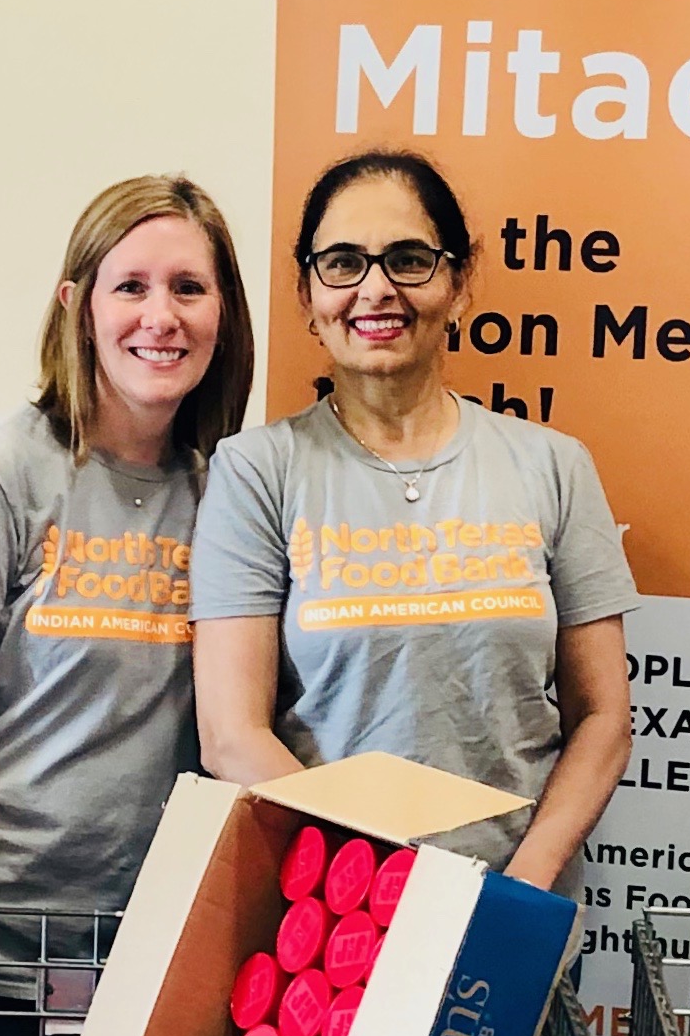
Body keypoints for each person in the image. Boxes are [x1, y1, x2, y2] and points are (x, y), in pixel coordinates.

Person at [0, 175, 253, 1036]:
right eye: (130, 286)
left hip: (140, 963)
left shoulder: (226, 492)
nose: (160, 316)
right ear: (75, 306)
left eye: (189, 289)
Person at [191, 150, 636, 885]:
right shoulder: (257, 471)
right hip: (332, 926)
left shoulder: (553, 465)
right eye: (342, 263)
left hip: (512, 910)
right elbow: (232, 736)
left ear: (459, 283)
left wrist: (526, 881)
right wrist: (376, 888)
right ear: (307, 293)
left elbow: (602, 719)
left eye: (408, 259)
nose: (375, 289)